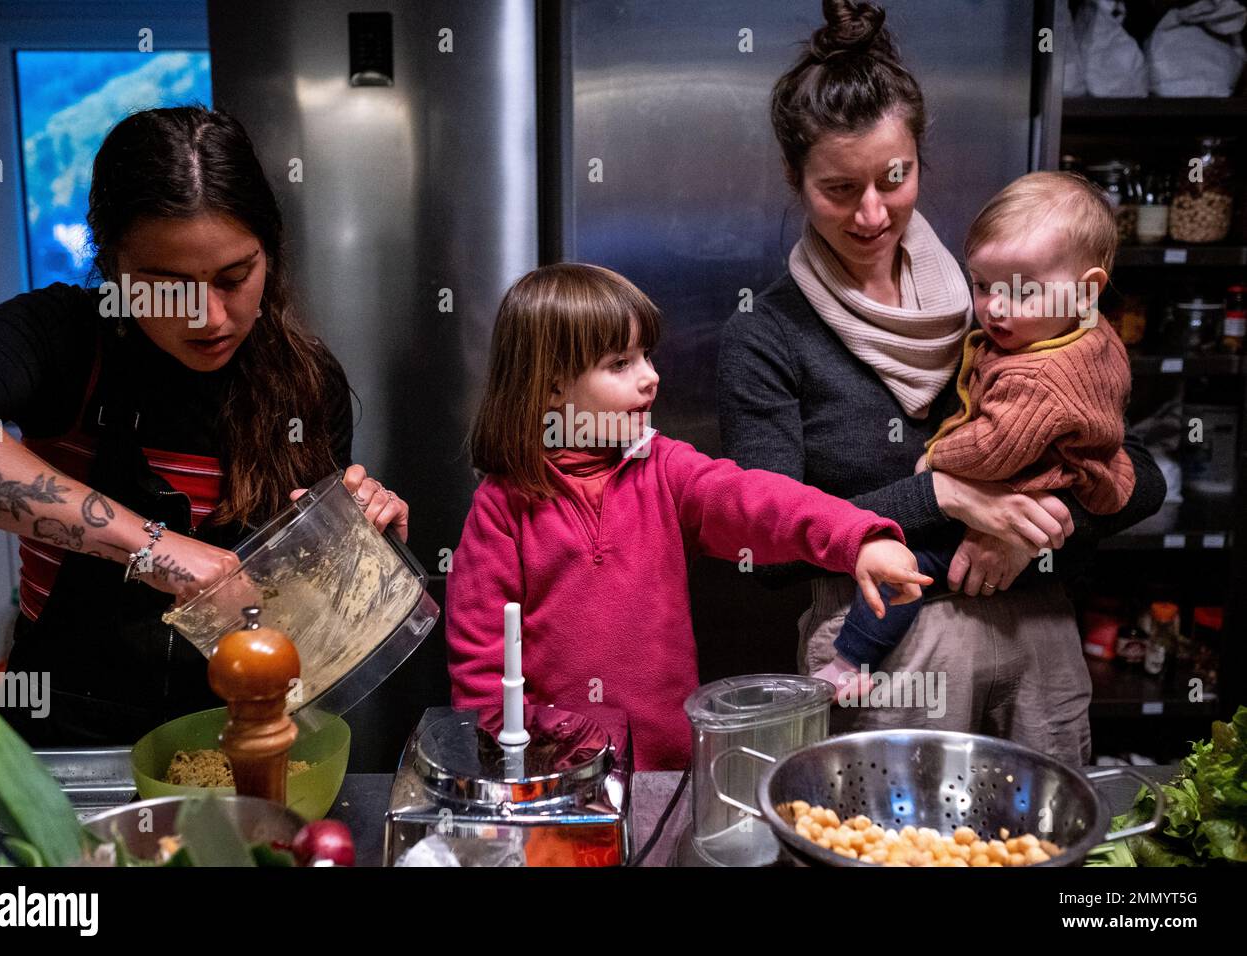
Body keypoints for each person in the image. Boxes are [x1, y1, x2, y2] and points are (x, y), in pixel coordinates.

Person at [717, 0, 1166, 764]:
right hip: (884, 656)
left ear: (921, 159)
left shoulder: (1002, 300)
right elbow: (770, 550)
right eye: (837, 188)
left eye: (894, 178)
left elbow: (1140, 475)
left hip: (1034, 642)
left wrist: (1024, 533)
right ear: (795, 179)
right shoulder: (767, 336)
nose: (870, 213)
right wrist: (943, 496)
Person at [0, 107, 409, 746]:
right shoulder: (66, 339)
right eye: (167, 285)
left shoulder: (306, 382)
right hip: (68, 740)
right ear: (113, 263)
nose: (210, 317)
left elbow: (296, 624)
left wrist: (354, 554)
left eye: (234, 277)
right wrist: (159, 551)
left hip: (239, 736)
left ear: (268, 252)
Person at [445, 263, 929, 770]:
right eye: (620, 363)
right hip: (556, 780)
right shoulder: (502, 509)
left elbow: (757, 500)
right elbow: (481, 660)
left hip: (671, 770)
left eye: (646, 356)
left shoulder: (667, 470)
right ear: (552, 389)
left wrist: (857, 538)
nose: (650, 377)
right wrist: (518, 758)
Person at [820, 172, 1137, 691]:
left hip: (1036, 495)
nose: (995, 308)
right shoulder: (1072, 333)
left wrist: (939, 462)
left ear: (1087, 292)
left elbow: (994, 446)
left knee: (909, 566)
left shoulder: (1042, 373)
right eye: (984, 285)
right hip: (1054, 492)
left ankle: (853, 663)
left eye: (1023, 292)